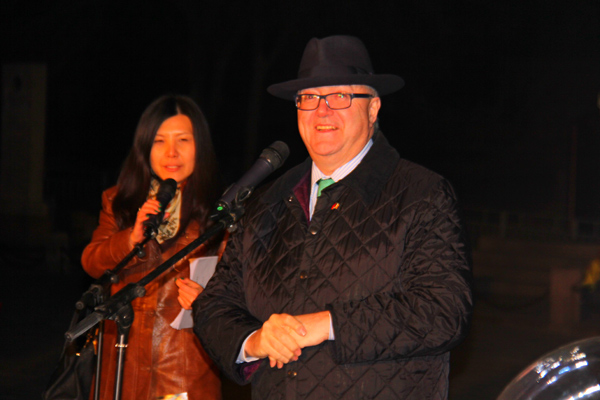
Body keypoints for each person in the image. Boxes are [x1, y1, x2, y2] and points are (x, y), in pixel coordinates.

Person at [193, 35, 473, 399]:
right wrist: (256, 339)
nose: (321, 111)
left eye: (339, 96)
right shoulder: (265, 203)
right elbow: (214, 305)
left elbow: (443, 310)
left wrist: (327, 324)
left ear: (372, 109)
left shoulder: (421, 193)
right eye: (308, 98)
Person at [82, 94, 222, 399]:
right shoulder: (119, 201)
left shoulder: (220, 212)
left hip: (183, 374)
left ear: (200, 147)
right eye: (159, 141)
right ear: (145, 148)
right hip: (120, 366)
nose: (171, 152)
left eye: (183, 140)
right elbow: (92, 261)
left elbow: (240, 289)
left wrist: (208, 300)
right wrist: (130, 238)